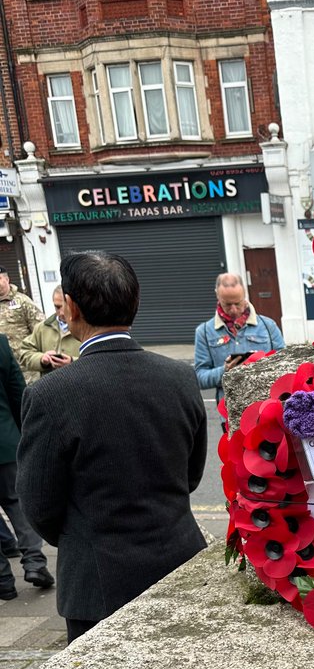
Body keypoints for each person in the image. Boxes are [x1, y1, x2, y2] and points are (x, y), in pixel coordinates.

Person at [17, 251, 207, 643]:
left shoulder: (52, 394)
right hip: (181, 563)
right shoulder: (180, 377)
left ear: (70, 307)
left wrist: (83, 537)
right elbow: (190, 475)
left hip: (97, 583)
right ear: (135, 303)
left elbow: (38, 503)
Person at [0, 334, 54, 600]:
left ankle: (3, 582)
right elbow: (17, 393)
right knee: (17, 502)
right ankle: (34, 563)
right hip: (5, 441)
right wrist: (23, 436)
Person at [194, 273, 284, 404]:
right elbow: (199, 378)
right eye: (227, 304)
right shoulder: (204, 332)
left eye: (238, 303)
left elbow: (284, 365)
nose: (234, 310)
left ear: (244, 295)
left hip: (266, 408)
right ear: (217, 296)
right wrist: (225, 371)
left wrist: (260, 366)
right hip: (229, 413)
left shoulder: (268, 326)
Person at [18, 287, 80, 376]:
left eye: (65, 306)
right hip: (50, 386)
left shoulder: (86, 327)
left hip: (79, 384)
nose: (61, 312)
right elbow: (25, 353)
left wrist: (72, 362)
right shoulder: (42, 328)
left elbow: (97, 358)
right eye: (57, 307)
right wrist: (42, 359)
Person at [0, 265, 43, 383]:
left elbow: (40, 330)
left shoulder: (23, 302)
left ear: (7, 280)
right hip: (2, 370)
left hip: (25, 369)